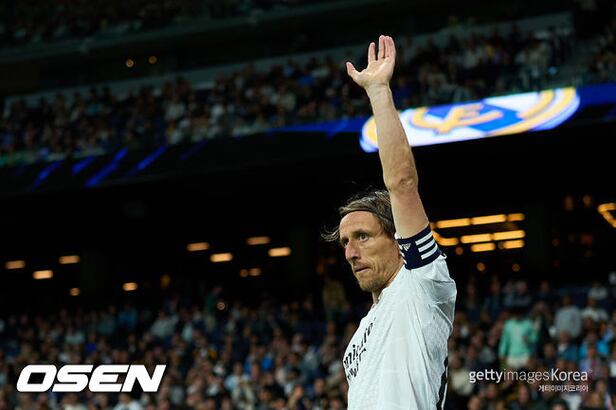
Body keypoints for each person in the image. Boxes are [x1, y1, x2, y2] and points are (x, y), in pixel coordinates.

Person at [323, 35, 457, 409]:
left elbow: (401, 184)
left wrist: (378, 91)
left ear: (398, 239)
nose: (350, 253)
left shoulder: (422, 284)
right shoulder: (358, 338)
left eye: (363, 236)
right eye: (346, 242)